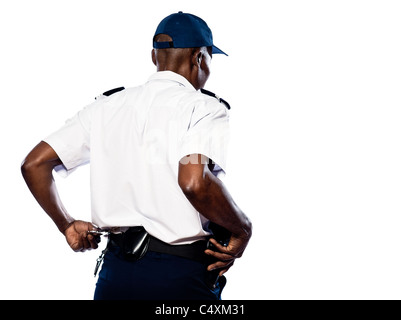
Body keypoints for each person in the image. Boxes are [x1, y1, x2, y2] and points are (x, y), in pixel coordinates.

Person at [21, 11, 252, 300]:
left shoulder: (106, 107)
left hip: (115, 275)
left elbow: (34, 164)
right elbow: (195, 182)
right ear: (199, 58)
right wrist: (242, 228)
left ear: (154, 58)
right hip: (179, 277)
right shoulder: (202, 108)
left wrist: (66, 225)